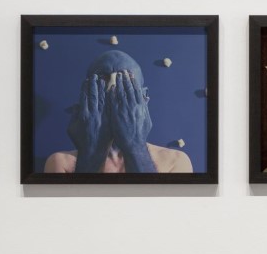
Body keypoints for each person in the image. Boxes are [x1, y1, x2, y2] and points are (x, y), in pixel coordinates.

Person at [42, 50, 193, 174]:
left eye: (126, 82)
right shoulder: (60, 163)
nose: (113, 89)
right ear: (87, 95)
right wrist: (91, 153)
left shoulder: (175, 161)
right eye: (102, 80)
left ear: (144, 98)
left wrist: (135, 146)